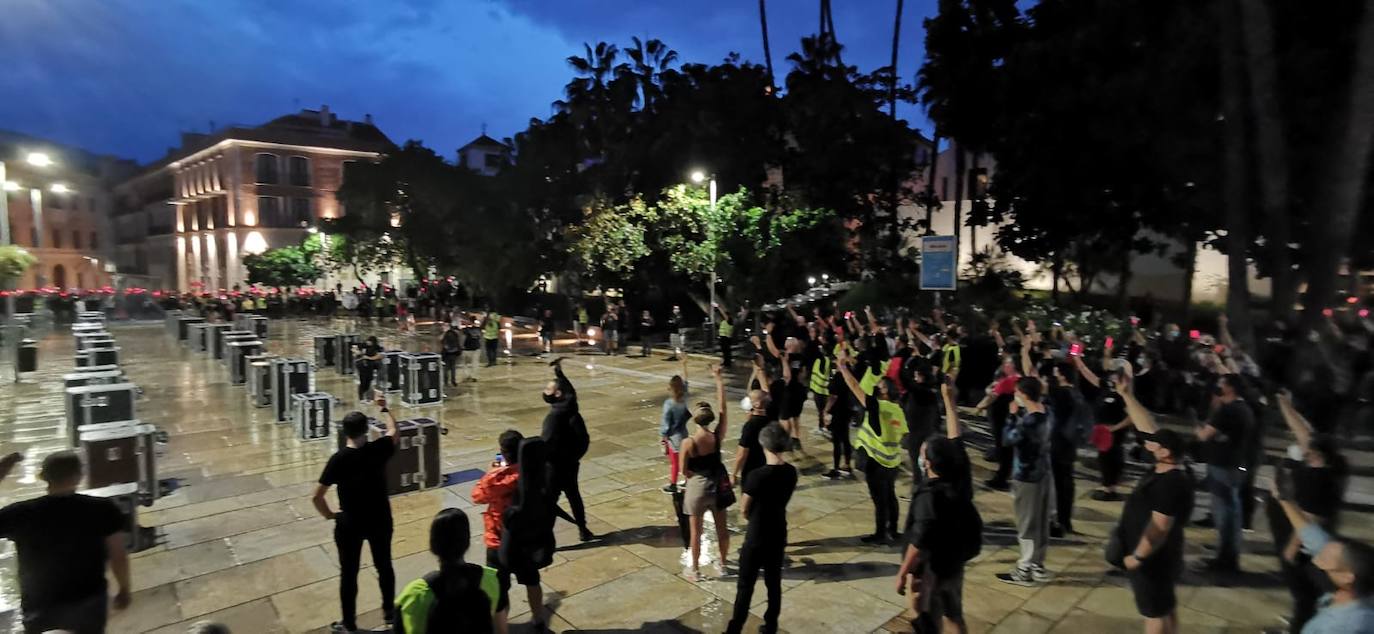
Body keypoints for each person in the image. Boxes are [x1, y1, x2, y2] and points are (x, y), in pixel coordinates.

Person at [0, 451, 131, 633]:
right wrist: (124, 589)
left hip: (40, 605)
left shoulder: (21, 514)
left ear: (43, 477)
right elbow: (119, 556)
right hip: (88, 602)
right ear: (79, 476)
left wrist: (4, 467)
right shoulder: (103, 509)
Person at [1109, 379, 1194, 634]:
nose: (1148, 444)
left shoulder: (1171, 483)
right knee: (1165, 606)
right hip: (1161, 556)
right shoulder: (1172, 465)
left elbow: (1159, 527)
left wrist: (1138, 557)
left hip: (1153, 558)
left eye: (1154, 445)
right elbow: (1147, 425)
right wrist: (1127, 396)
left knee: (1153, 613)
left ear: (1165, 452)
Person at [896, 381, 978, 634]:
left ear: (928, 463)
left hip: (932, 565)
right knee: (954, 613)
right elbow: (956, 437)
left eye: (922, 454)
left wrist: (903, 571)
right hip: (954, 561)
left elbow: (920, 538)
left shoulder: (928, 495)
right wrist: (949, 400)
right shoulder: (959, 471)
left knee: (925, 614)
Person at [313, 398, 399, 633]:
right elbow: (394, 431)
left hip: (350, 522)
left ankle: (349, 623)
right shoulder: (378, 449)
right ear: (366, 429)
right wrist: (385, 408)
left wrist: (331, 515)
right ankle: (390, 613)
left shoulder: (338, 459)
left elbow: (317, 496)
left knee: (349, 574)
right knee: (384, 566)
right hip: (380, 518)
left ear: (345, 432)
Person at [1269, 391, 1350, 633]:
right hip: (1308, 538)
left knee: (1303, 592)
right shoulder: (1330, 464)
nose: (1304, 451)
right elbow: (1303, 431)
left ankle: (1301, 627)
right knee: (1307, 593)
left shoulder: (1320, 480)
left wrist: (1292, 549)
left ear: (1319, 456)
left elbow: (1311, 519)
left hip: (1304, 546)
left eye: (1309, 452)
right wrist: (1285, 404)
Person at [1272, 484, 1374, 633]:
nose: (1316, 561)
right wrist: (1285, 499)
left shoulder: (1345, 626)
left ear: (1347, 577)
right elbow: (1313, 536)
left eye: (1324, 560)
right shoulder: (1358, 579)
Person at [725, 422, 797, 634]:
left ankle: (735, 628)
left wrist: (752, 516)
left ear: (763, 445)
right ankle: (771, 625)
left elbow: (744, 509)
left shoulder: (756, 476)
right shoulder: (791, 472)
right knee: (773, 583)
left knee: (745, 586)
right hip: (778, 532)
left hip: (756, 536)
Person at [470, 430, 542, 632]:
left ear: (503, 452)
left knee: (498, 589)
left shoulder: (497, 478)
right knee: (532, 580)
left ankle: (501, 627)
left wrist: (490, 472)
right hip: (526, 539)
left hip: (498, 539)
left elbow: (477, 496)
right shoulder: (533, 472)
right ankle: (538, 619)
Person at [394, 509, 510, 633]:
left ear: (433, 546)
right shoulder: (492, 580)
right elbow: (501, 630)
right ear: (466, 542)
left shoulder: (411, 595)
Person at [838, 345, 908, 545]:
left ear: (887, 392)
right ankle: (893, 531)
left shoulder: (879, 406)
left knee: (879, 500)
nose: (877, 387)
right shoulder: (898, 410)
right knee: (891, 497)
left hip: (876, 462)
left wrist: (843, 367)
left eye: (881, 386)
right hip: (892, 462)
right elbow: (902, 434)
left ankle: (880, 534)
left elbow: (854, 386)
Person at [996, 377, 1054, 586]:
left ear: (1024, 395)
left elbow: (1007, 439)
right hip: (1044, 473)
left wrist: (1011, 417)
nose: (1015, 395)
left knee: (1027, 523)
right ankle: (1038, 564)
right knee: (1040, 520)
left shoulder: (1029, 423)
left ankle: (1025, 569)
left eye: (1017, 392)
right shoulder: (1047, 413)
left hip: (1027, 477)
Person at [1195, 373, 1253, 576]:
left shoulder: (1227, 410)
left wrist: (1198, 428)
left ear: (1230, 388)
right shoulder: (1244, 408)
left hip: (1223, 468)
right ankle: (1228, 554)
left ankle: (1225, 560)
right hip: (1236, 466)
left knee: (1224, 516)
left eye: (1221, 384)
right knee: (1232, 513)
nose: (1217, 386)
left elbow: (1204, 435)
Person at [681, 365, 732, 581]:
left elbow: (685, 470)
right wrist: (718, 379)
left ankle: (694, 570)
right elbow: (723, 409)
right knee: (722, 529)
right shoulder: (717, 436)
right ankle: (722, 564)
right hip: (718, 484)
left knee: (696, 533)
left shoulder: (688, 442)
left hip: (697, 487)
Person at [541, 357, 594, 541]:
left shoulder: (553, 417)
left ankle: (545, 537)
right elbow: (570, 391)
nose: (545, 389)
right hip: (571, 464)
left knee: (549, 503)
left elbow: (545, 443)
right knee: (574, 497)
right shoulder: (570, 406)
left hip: (555, 467)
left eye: (548, 388)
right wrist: (559, 373)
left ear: (557, 394)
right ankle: (583, 529)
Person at [732, 361, 774, 487]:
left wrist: (733, 473)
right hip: (768, 466)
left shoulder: (750, 427)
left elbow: (742, 453)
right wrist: (757, 371)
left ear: (756, 405)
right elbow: (766, 394)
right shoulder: (771, 418)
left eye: (751, 400)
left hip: (752, 469)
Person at [660, 359, 692, 493]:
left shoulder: (669, 404)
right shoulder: (684, 398)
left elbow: (666, 423)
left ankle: (672, 484)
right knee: (685, 460)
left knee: (674, 462)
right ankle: (688, 480)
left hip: (673, 437)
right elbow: (686, 383)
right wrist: (684, 365)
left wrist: (663, 437)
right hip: (684, 433)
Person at [355, 336, 384, 403]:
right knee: (362, 382)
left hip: (370, 367)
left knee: (368, 381)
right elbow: (355, 350)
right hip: (361, 366)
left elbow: (380, 355)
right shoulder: (363, 345)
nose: (368, 342)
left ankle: (369, 398)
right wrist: (358, 352)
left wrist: (369, 358)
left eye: (369, 341)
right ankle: (361, 398)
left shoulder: (377, 347)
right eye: (367, 341)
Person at [440, 322, 461, 388]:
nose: (443, 328)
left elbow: (442, 342)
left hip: (447, 354)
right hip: (454, 353)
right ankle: (453, 381)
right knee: (453, 368)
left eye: (444, 327)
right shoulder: (455, 333)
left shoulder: (446, 334)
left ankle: (446, 382)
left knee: (446, 369)